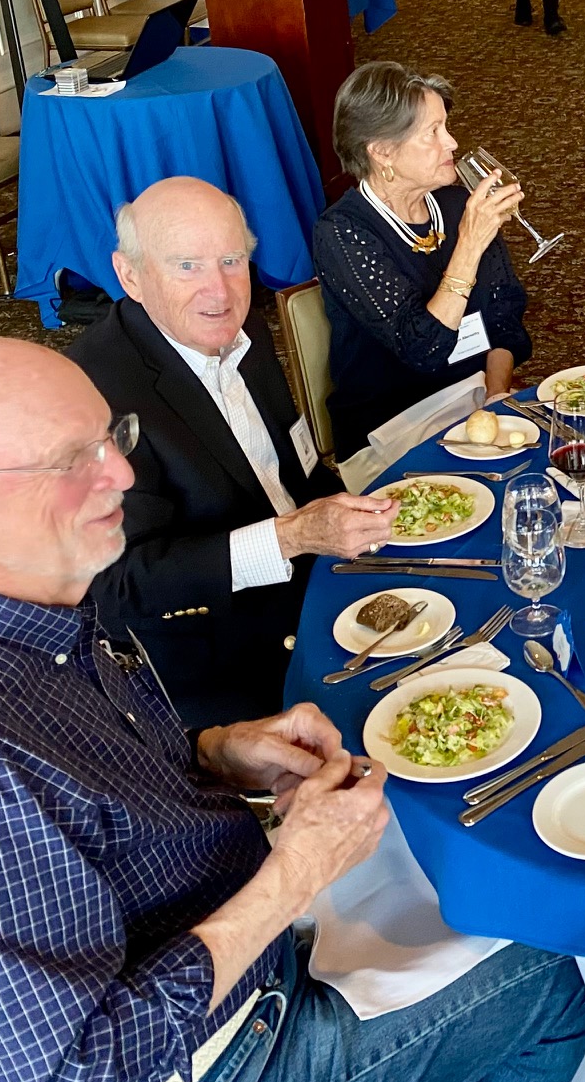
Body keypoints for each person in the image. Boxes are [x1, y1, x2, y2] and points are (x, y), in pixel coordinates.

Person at [0, 337, 585, 1082]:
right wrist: (295, 875)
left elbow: (77, 792)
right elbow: (76, 1071)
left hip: (211, 901)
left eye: (112, 437)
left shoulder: (9, 598)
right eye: (72, 460)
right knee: (571, 969)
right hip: (228, 1047)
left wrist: (214, 751)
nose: (123, 473)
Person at [59, 181, 390, 726]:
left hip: (312, 577)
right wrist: (290, 538)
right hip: (217, 649)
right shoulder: (93, 394)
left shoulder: (239, 327)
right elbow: (116, 592)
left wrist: (355, 519)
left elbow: (295, 470)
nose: (220, 290)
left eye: (232, 259)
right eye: (187, 266)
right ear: (130, 276)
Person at [311, 63, 534, 456]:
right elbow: (424, 350)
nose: (451, 143)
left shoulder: (456, 203)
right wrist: (468, 245)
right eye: (433, 132)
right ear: (382, 151)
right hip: (393, 429)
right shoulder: (344, 233)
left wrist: (496, 396)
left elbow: (503, 317)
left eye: (445, 126)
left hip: (475, 402)